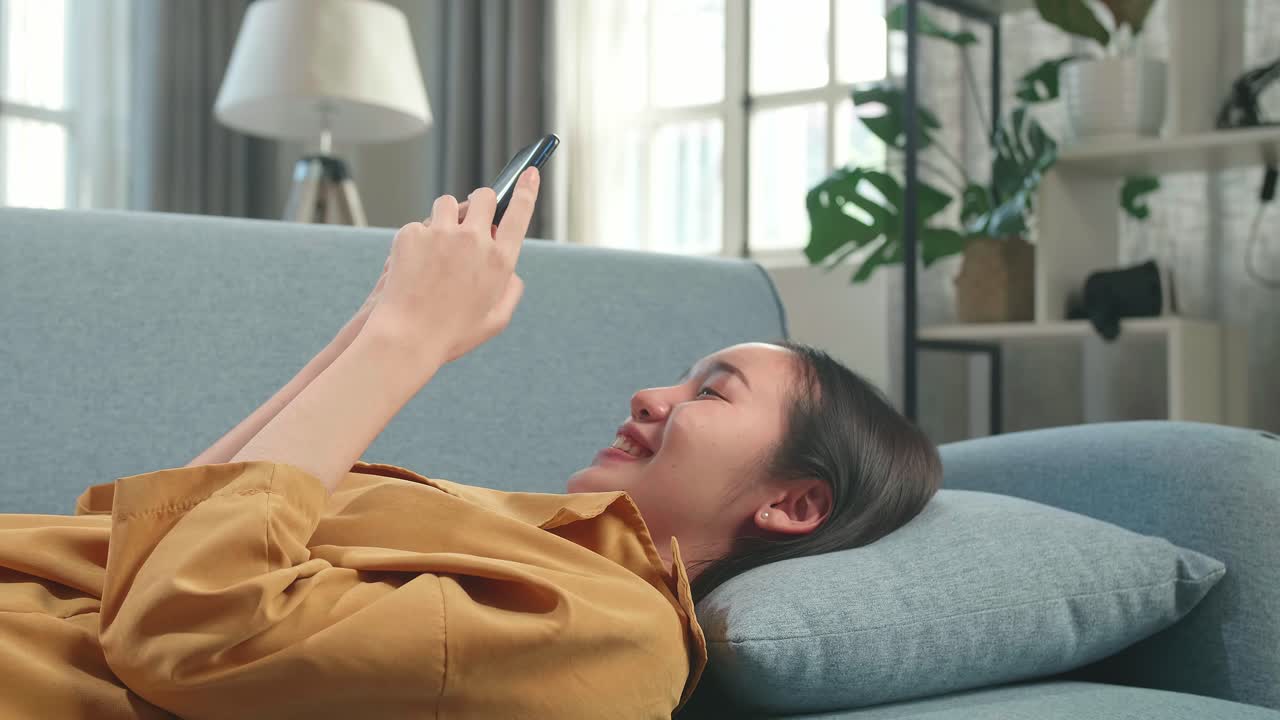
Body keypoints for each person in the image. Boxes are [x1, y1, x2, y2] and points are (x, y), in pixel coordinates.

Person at [0, 167, 941, 719]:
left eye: (712, 391)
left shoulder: (610, 635)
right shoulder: (522, 535)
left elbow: (186, 625)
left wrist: (404, 350)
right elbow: (140, 530)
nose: (653, 395)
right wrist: (371, 331)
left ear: (794, 502)